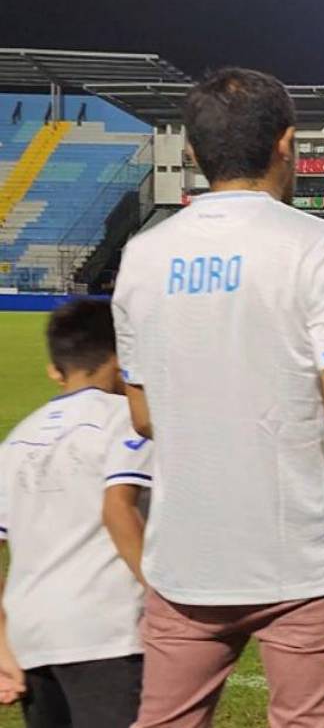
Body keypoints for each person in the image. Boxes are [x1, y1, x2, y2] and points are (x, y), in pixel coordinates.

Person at [112, 68, 324, 726]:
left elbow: (142, 413)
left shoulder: (142, 255)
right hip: (302, 558)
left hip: (185, 558)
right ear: (287, 143)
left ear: (191, 153)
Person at [0, 299, 153, 727]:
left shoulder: (18, 438)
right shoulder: (130, 422)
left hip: (32, 635)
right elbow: (118, 510)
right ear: (125, 358)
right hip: (108, 632)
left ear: (55, 368)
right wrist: (165, 600)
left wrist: (2, 644)